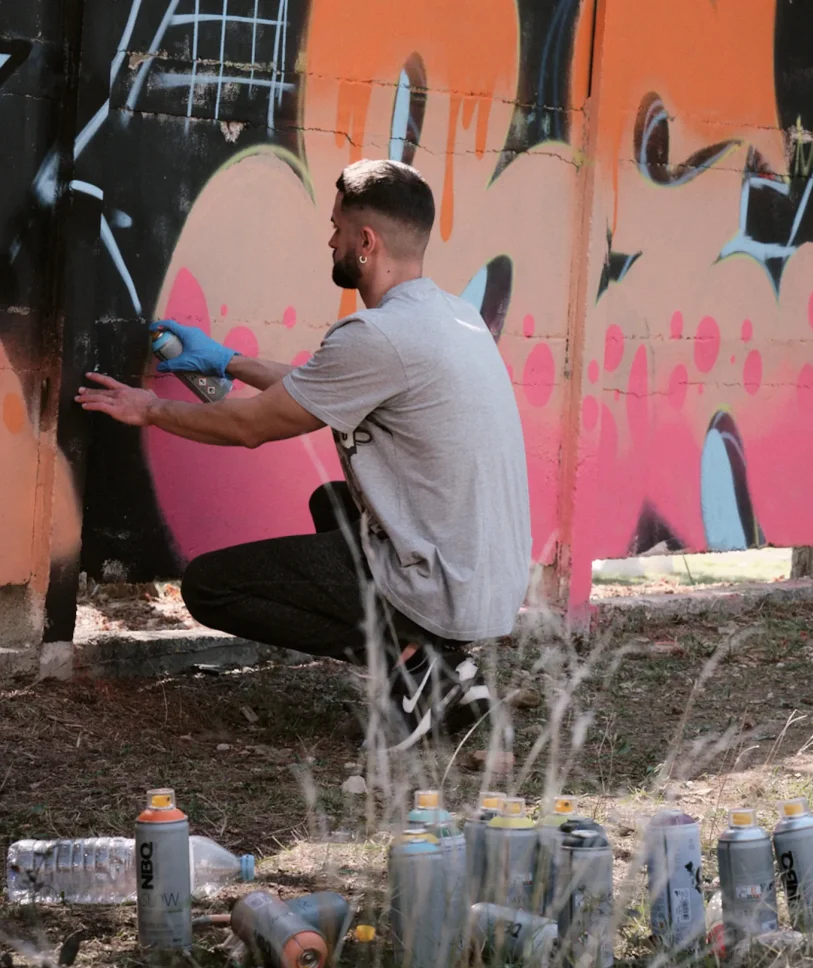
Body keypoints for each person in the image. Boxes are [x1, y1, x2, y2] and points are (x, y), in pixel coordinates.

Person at [77, 158, 531, 752]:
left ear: (366, 241)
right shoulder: (452, 317)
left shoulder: (378, 336)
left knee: (211, 586)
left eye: (338, 227)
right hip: (486, 580)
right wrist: (229, 361)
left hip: (439, 585)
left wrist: (150, 409)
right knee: (332, 503)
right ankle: (444, 666)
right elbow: (323, 386)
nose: (330, 240)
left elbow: (251, 427)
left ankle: (419, 664)